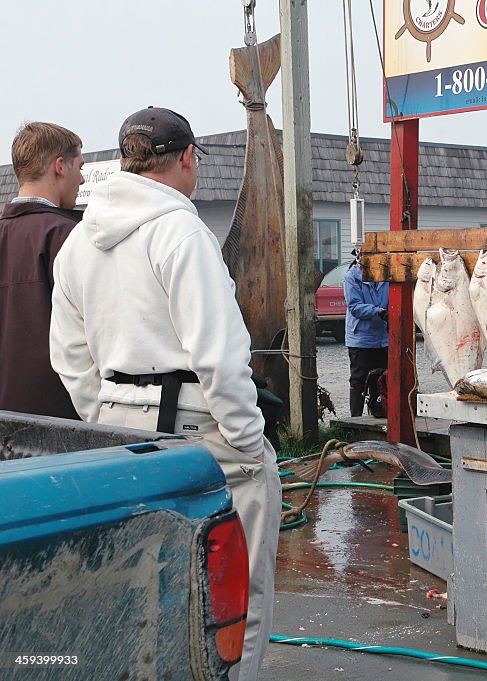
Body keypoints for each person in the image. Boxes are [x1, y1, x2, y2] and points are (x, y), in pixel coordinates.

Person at [49, 107, 281, 681]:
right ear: (185, 158)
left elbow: (70, 356)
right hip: (203, 436)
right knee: (237, 593)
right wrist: (251, 444)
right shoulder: (181, 231)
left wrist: (102, 414)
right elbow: (221, 356)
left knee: (140, 583)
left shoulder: (80, 240)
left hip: (116, 433)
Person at [0, 122, 85, 418]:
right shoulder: (68, 236)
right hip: (59, 420)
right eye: (79, 167)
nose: (83, 179)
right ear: (60, 166)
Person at [344, 251, 389, 417]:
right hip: (360, 339)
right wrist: (380, 312)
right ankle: (355, 418)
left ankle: (378, 415)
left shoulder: (386, 276)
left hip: (383, 337)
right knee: (358, 379)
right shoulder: (352, 277)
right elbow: (354, 306)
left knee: (381, 378)